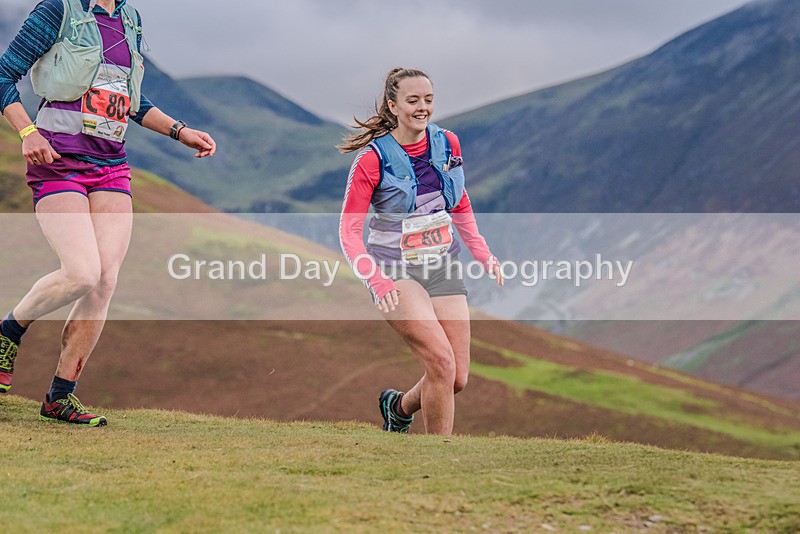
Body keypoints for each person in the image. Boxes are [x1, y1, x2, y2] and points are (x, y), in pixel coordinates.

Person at [0, 0, 216, 426]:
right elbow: (4, 74)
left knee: (104, 281)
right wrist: (26, 131)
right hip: (56, 160)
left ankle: (59, 397)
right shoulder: (57, 11)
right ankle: (8, 332)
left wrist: (180, 131)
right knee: (81, 272)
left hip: (111, 166)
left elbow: (130, 101)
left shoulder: (129, 20)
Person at [338, 68, 503, 435]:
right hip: (395, 272)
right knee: (440, 364)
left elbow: (458, 202)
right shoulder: (372, 159)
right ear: (393, 106)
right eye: (413, 100)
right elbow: (348, 231)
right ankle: (437, 463)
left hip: (442, 265)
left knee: (456, 377)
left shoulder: (447, 143)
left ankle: (397, 407)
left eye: (428, 99)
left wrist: (483, 253)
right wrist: (377, 282)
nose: (423, 107)